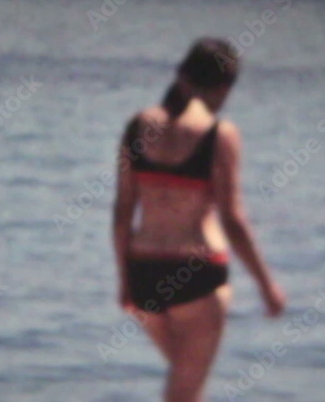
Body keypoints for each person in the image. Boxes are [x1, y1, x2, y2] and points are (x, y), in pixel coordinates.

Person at [112, 37, 286, 401]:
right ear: (223, 88)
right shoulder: (219, 135)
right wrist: (266, 285)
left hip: (144, 273)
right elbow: (232, 220)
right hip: (197, 273)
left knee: (187, 384)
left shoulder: (136, 128)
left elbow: (122, 212)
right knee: (185, 392)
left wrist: (124, 281)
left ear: (181, 74)